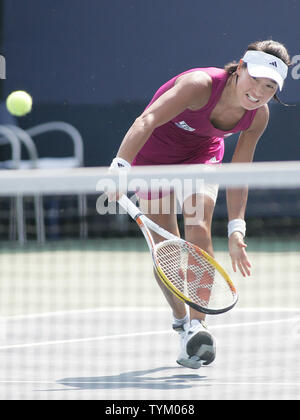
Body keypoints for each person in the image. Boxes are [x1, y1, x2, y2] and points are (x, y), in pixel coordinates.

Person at [109, 40, 291, 369]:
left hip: (200, 159)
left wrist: (237, 228)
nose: (258, 92)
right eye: (256, 79)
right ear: (240, 67)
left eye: (269, 87)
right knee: (166, 250)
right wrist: (120, 167)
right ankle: (181, 323)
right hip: (152, 160)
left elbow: (240, 173)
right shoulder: (198, 86)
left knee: (198, 230)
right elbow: (146, 119)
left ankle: (197, 325)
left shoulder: (257, 116)